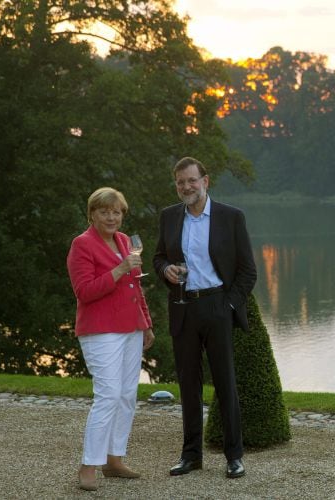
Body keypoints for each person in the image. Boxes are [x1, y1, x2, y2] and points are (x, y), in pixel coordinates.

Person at [153, 157, 256, 479]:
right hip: (183, 307)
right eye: (180, 182)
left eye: (191, 180)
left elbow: (248, 271)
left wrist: (227, 306)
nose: (186, 186)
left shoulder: (230, 217)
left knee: (225, 384)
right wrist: (164, 269)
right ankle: (191, 456)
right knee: (188, 385)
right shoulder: (169, 217)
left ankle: (234, 456)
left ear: (205, 181)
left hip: (217, 307)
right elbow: (158, 257)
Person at [67, 187, 155, 491]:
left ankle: (114, 459)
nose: (111, 216)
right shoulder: (82, 245)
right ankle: (87, 466)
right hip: (101, 331)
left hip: (131, 328)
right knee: (108, 395)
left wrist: (146, 323)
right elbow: (85, 292)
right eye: (104, 211)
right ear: (92, 214)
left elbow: (136, 287)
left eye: (116, 211)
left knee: (127, 394)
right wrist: (119, 269)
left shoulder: (124, 241)